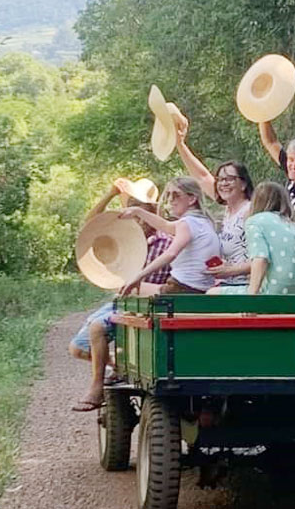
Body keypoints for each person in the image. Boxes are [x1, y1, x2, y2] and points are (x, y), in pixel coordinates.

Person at [71, 181, 172, 412]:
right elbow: (90, 227)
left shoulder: (167, 239)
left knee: (97, 327)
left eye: (142, 206)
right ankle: (121, 364)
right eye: (134, 205)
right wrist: (110, 194)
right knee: (77, 348)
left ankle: (96, 388)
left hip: (149, 303)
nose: (138, 213)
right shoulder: (124, 233)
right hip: (123, 302)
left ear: (153, 211)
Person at [174, 114, 254, 289]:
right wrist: (180, 144)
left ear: (243, 184)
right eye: (220, 179)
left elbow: (263, 258)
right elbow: (202, 177)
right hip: (225, 282)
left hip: (245, 285)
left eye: (230, 179)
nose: (223, 183)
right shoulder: (227, 208)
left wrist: (230, 271)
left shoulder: (250, 211)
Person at [119, 176, 221, 296]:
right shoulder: (203, 222)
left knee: (123, 287)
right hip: (198, 288)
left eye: (176, 195)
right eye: (169, 195)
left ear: (192, 199)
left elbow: (171, 254)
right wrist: (138, 211)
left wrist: (139, 276)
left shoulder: (187, 223)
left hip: (182, 288)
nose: (171, 200)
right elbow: (165, 225)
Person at [220, 181, 295, 295]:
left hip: (272, 294)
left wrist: (250, 299)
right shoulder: (294, 228)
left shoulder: (255, 222)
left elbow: (260, 259)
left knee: (212, 294)